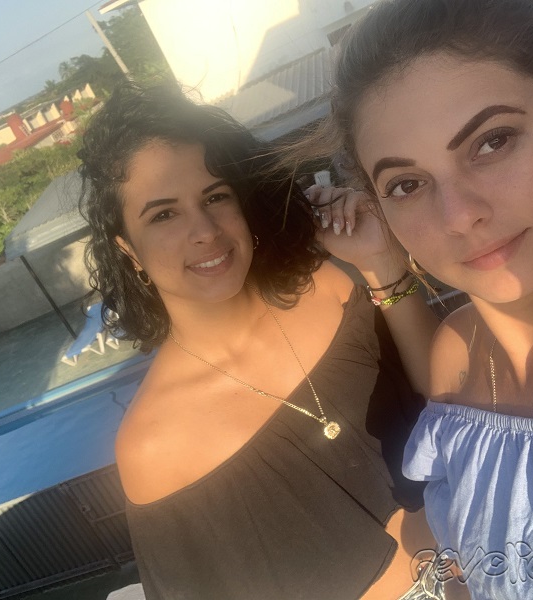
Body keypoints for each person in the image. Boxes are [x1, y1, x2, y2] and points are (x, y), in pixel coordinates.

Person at [295, 0, 533, 597]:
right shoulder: (457, 357)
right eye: (407, 184)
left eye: (491, 142)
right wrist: (380, 262)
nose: (458, 216)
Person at [77, 82, 438, 599]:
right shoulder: (153, 447)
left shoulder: (328, 287)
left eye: (215, 197)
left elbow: (454, 402)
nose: (205, 230)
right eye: (163, 214)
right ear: (129, 250)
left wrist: (381, 263)